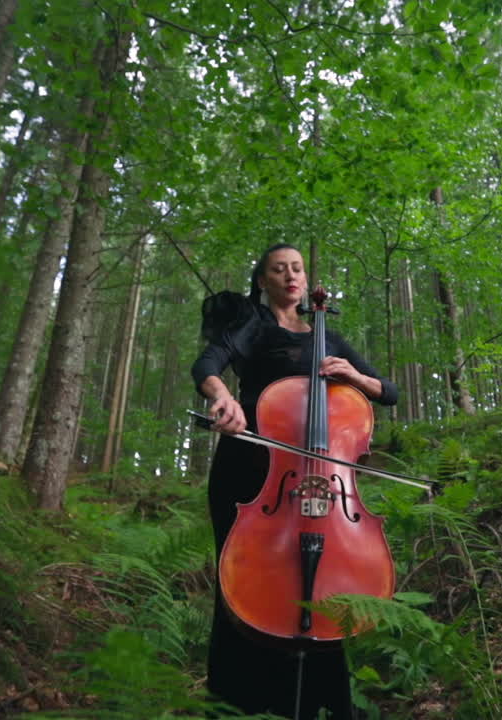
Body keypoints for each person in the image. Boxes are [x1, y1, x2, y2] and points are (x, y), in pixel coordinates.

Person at [190, 243, 398, 719]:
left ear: (306, 280)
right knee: (247, 581)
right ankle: (240, 705)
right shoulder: (252, 327)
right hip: (250, 470)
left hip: (323, 483)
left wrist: (355, 377)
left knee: (323, 583)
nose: (290, 276)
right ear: (262, 281)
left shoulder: (329, 338)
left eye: (297, 268)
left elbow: (389, 392)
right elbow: (207, 366)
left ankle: (318, 704)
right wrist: (224, 397)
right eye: (278, 269)